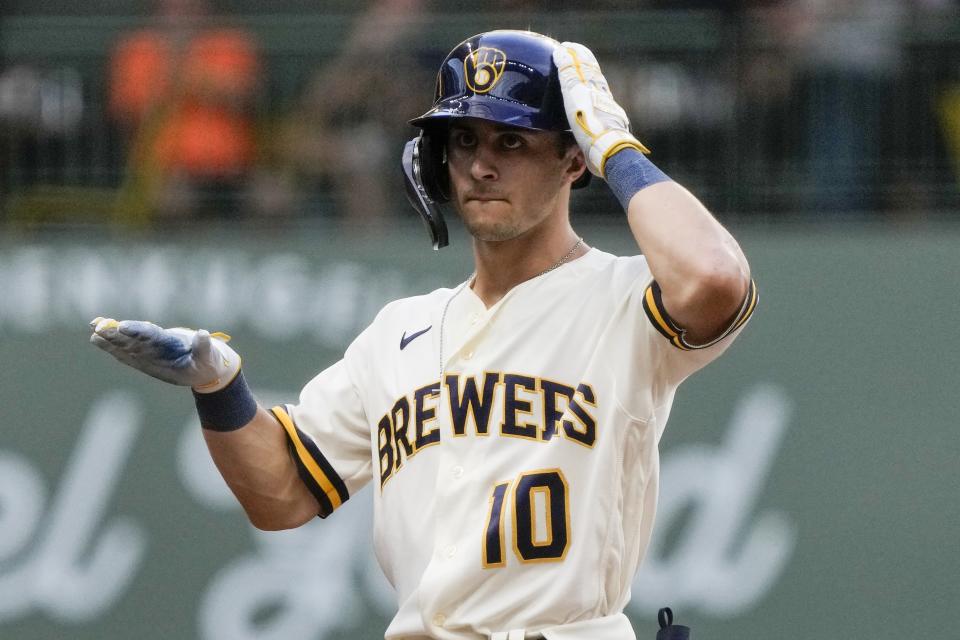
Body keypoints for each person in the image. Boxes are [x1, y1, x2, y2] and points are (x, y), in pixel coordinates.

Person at [90, 30, 756, 640]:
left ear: (571, 160)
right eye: (465, 140)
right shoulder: (399, 331)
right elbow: (285, 494)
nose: (480, 165)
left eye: (512, 141)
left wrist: (614, 145)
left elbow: (715, 278)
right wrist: (219, 389)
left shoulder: (621, 298)